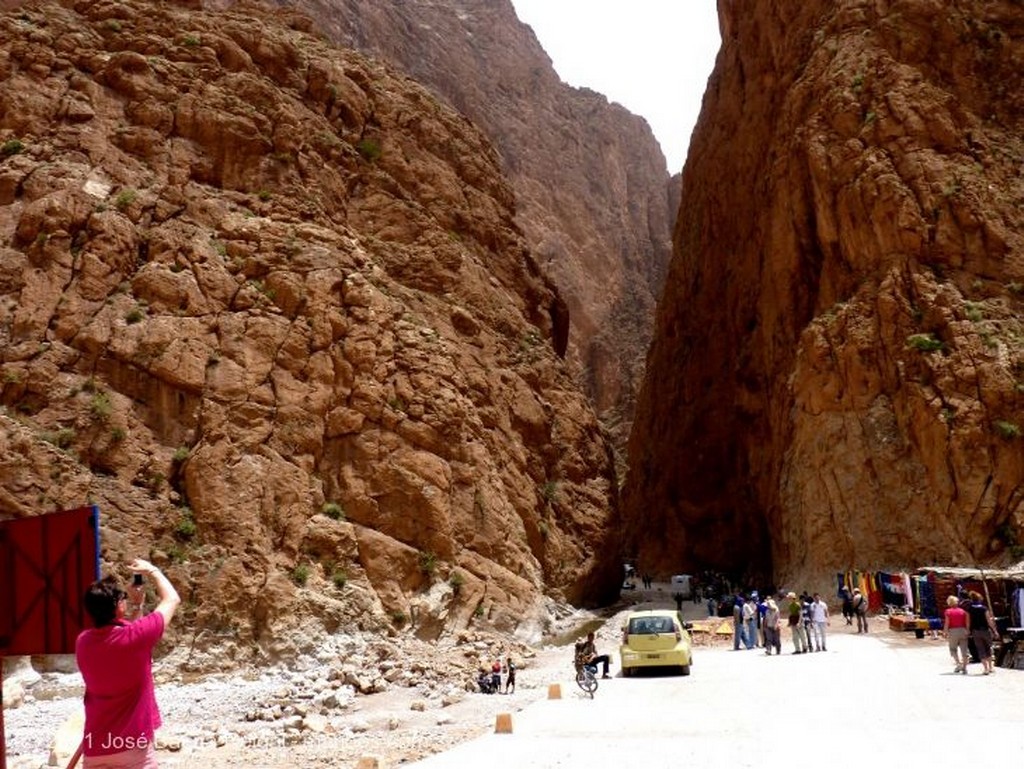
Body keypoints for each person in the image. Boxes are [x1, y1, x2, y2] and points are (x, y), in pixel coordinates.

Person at [76, 558, 180, 768]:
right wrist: (152, 570)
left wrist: (137, 605)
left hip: (96, 745)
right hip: (133, 745)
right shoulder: (135, 637)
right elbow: (172, 599)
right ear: (117, 606)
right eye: (122, 596)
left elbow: (123, 639)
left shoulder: (83, 642)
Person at [966, 591, 999, 675]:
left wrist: (968, 631)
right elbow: (989, 621)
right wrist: (994, 631)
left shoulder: (969, 609)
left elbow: (968, 622)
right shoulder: (984, 608)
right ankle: (991, 667)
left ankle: (985, 669)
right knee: (988, 648)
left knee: (980, 649)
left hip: (975, 631)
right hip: (985, 630)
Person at [942, 594, 970, 674]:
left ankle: (958, 664)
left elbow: (947, 622)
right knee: (964, 650)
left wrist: (945, 632)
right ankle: (964, 667)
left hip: (953, 631)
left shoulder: (948, 611)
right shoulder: (963, 611)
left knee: (953, 649)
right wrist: (967, 630)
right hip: (963, 630)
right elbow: (967, 622)